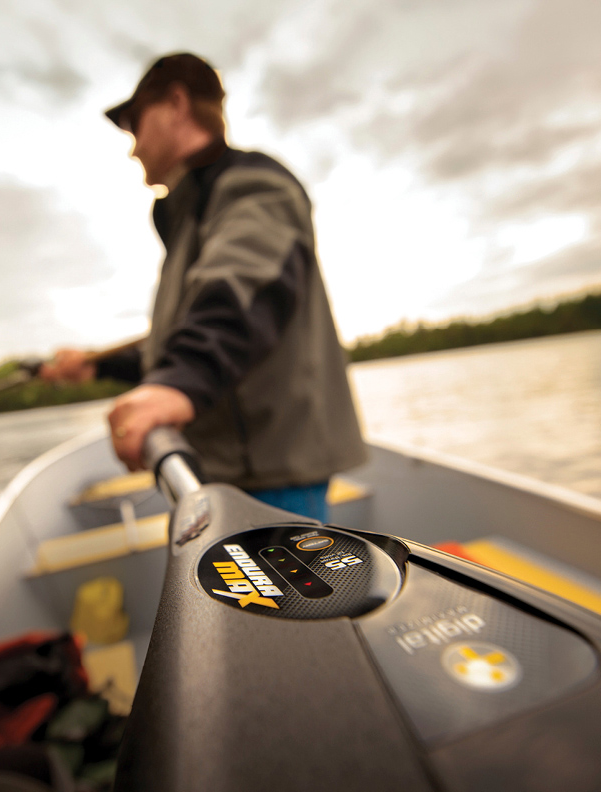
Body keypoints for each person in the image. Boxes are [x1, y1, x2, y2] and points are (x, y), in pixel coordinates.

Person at [41, 52, 366, 520]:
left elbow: (242, 290)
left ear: (176, 103)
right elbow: (175, 343)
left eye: (135, 125)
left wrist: (180, 381)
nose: (132, 148)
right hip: (228, 468)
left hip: (271, 476)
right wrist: (98, 367)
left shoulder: (254, 185)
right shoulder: (189, 215)